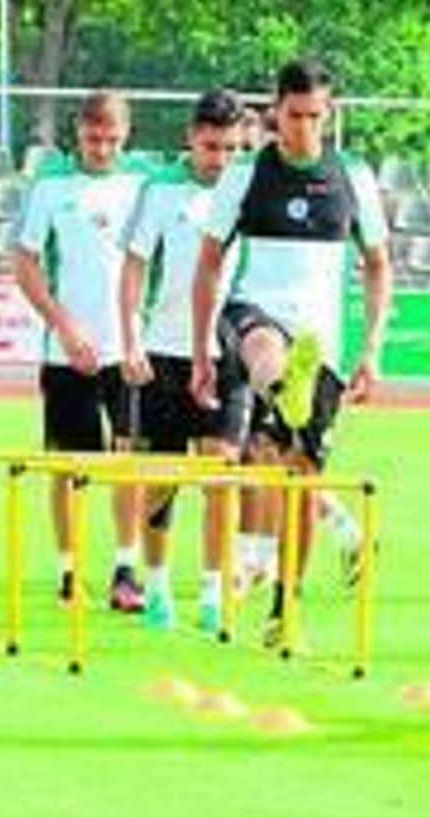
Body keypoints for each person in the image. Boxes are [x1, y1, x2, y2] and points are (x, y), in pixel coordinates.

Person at [190, 58, 393, 649]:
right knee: (264, 347)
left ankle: (286, 611)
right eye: (294, 115)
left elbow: (379, 266)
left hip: (322, 337)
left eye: (315, 117)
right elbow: (208, 263)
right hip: (253, 311)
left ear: (329, 115)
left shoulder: (353, 176)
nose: (304, 128)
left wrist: (373, 347)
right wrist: (204, 348)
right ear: (274, 110)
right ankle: (285, 389)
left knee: (301, 477)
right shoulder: (245, 175)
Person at [13, 90, 151, 611]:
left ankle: (125, 568)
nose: (102, 148)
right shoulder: (51, 184)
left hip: (127, 349)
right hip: (67, 351)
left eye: (112, 139)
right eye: (94, 138)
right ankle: (69, 572)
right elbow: (26, 264)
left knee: (129, 460)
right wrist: (64, 327)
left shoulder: (143, 183)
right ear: (78, 132)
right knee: (69, 463)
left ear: (127, 134)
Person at [119, 89, 248, 633]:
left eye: (229, 148)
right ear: (191, 137)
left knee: (221, 471)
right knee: (162, 475)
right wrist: (129, 339)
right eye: (210, 146)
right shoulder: (162, 191)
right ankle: (159, 586)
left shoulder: (247, 189)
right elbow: (133, 267)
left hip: (228, 348)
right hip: (164, 351)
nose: (218, 159)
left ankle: (215, 591)